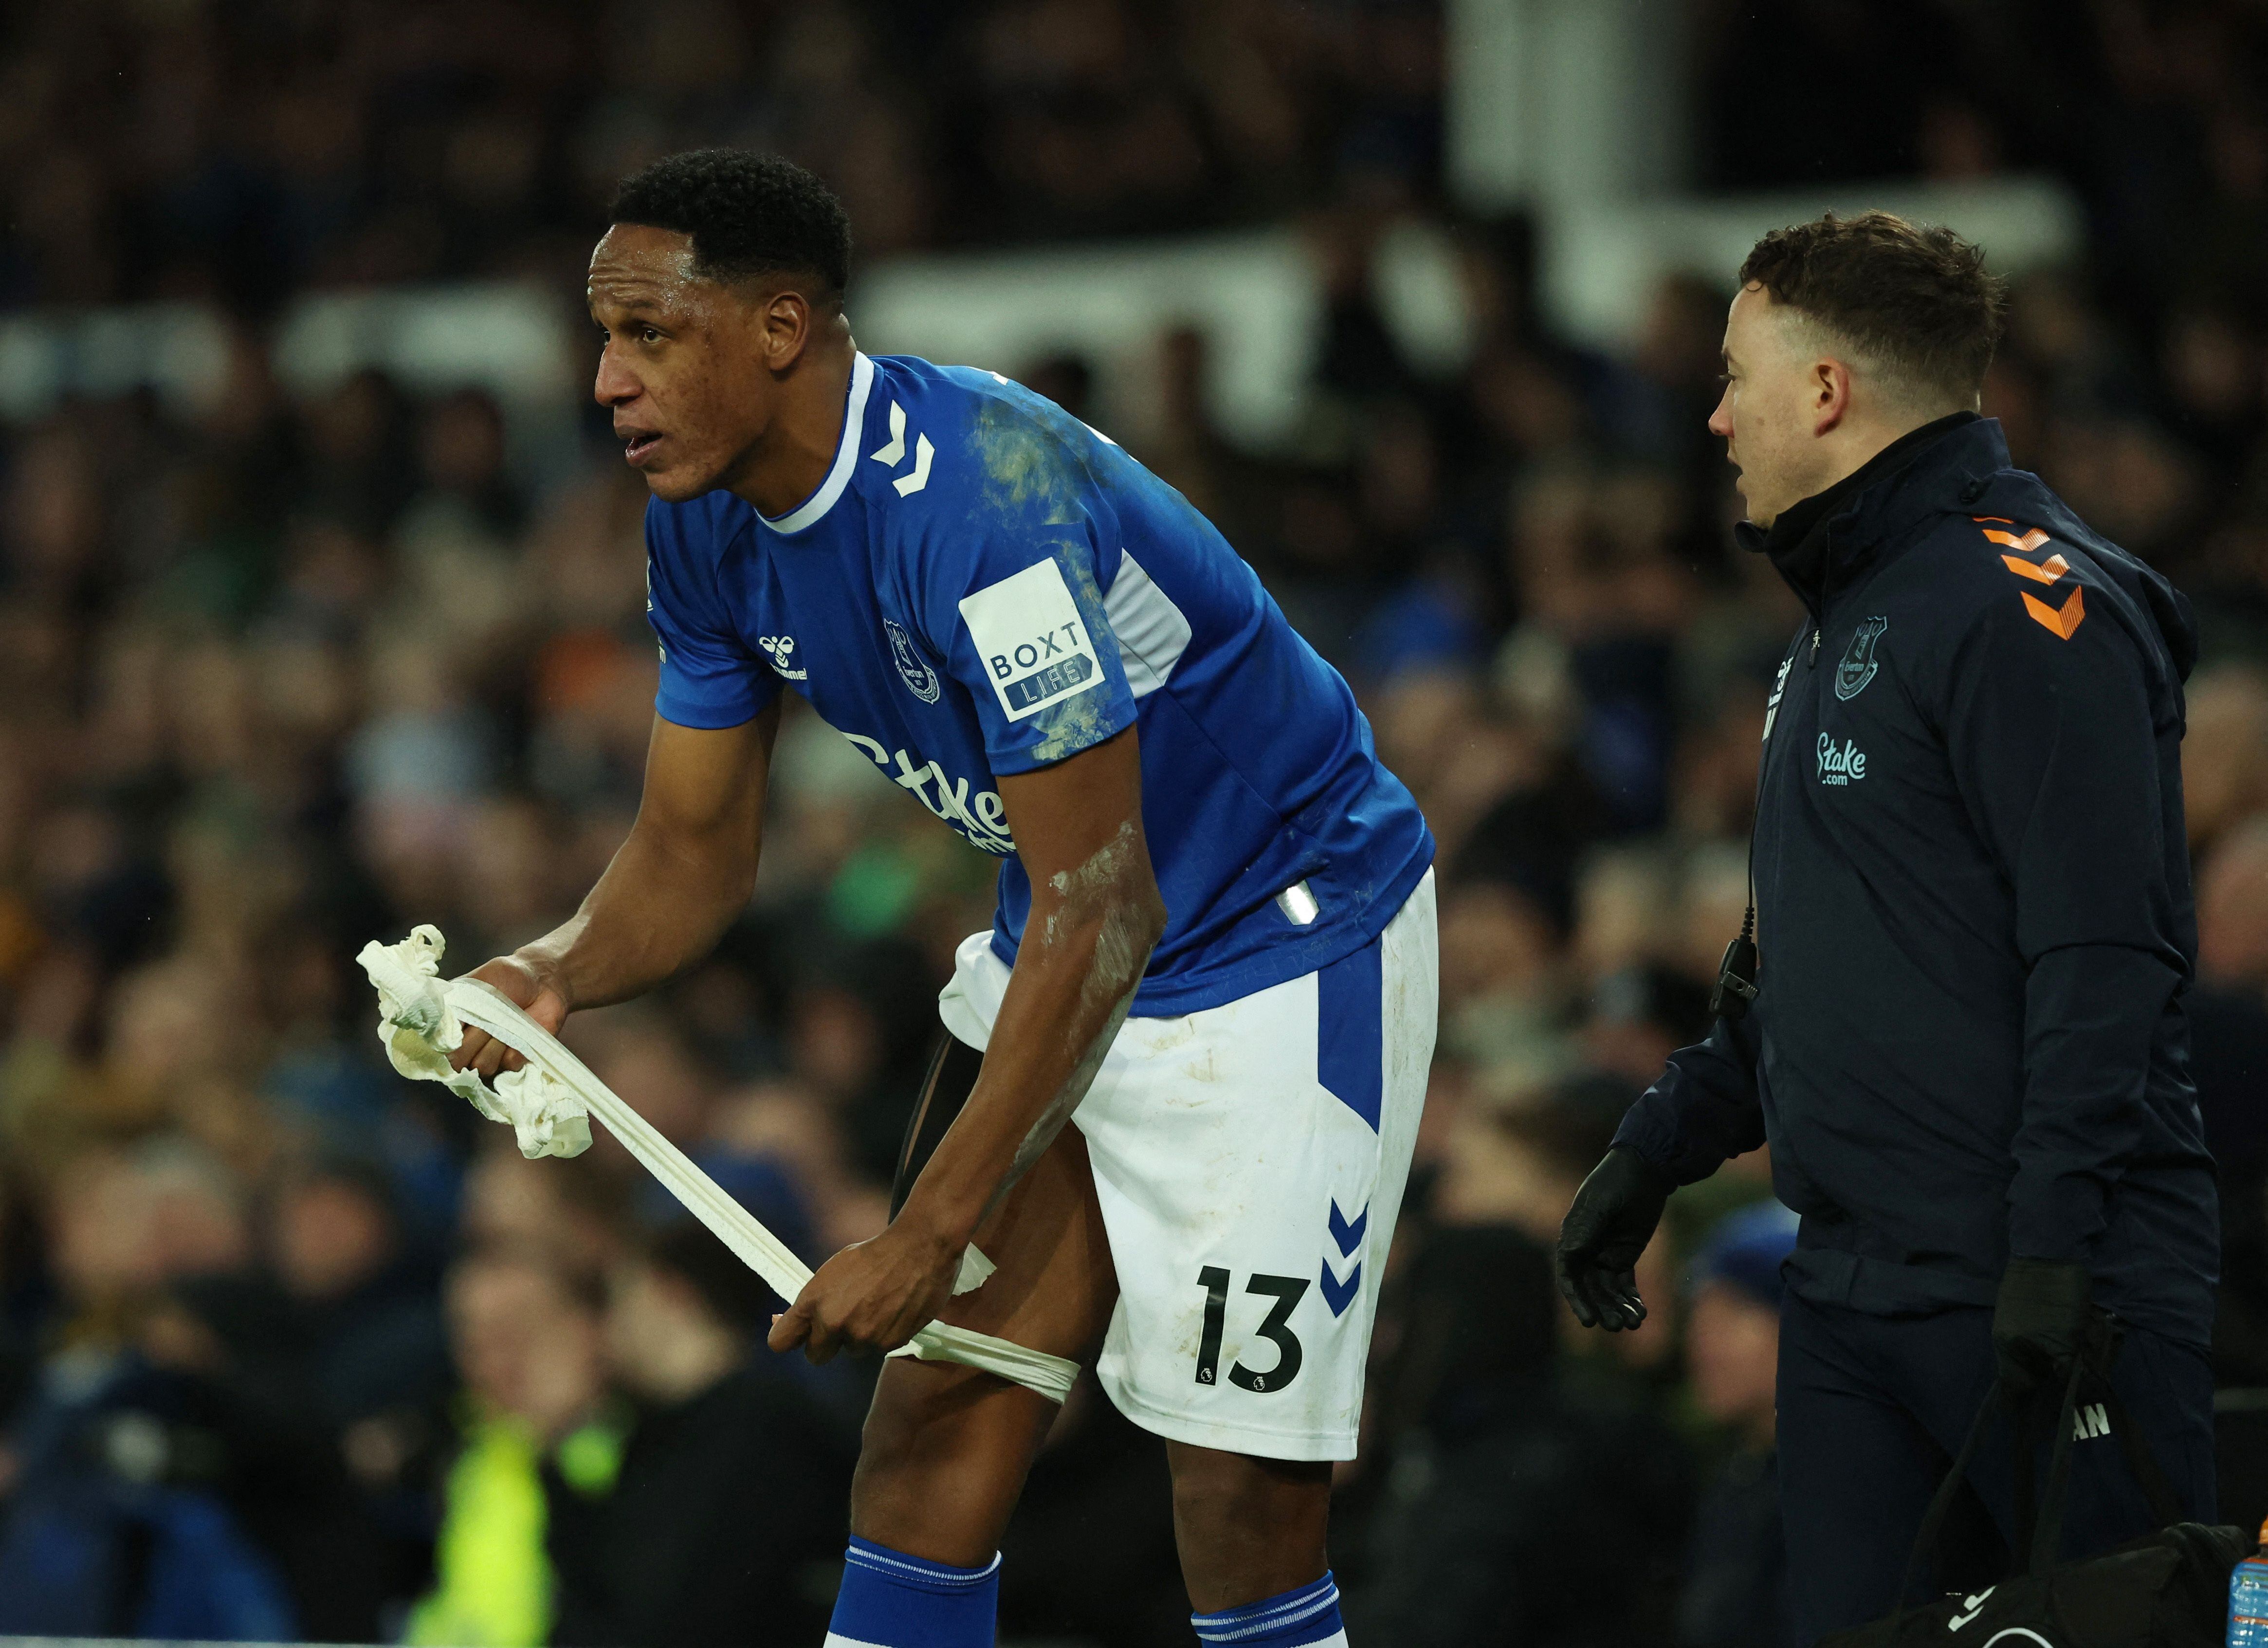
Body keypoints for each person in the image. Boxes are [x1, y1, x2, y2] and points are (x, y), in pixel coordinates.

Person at [449, 149, 1437, 1648]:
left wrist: (927, 1226)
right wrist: (555, 971)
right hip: (1069, 936)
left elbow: (1112, 909)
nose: (604, 380)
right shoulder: (703, 521)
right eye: (604, 336)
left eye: (646, 333)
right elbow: (690, 852)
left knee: (1235, 1507)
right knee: (924, 1441)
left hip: (1281, 951)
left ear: (779, 329)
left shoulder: (986, 504)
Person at [1553, 211, 2218, 1640]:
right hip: (1853, 1292)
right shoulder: (1835, 623)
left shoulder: (2025, 605)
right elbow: (1797, 966)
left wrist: (2050, 1250)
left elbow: (2102, 962)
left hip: (2044, 1289)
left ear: (1825, 391)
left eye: (1734, 376)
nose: (1716, 415)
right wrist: (1651, 1149)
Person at [1677, 1202, 1797, 1648]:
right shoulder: (1740, 1477)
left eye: (1738, 1309)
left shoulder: (1840, 1496)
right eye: (1700, 1308)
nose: (1703, 1335)